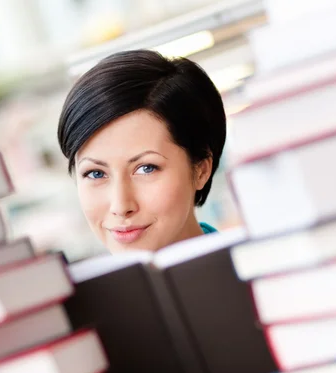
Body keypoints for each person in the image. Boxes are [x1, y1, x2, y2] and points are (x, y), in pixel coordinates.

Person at [57, 49, 226, 253]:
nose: (120, 206)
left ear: (201, 169)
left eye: (146, 168)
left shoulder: (259, 280)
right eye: (96, 173)